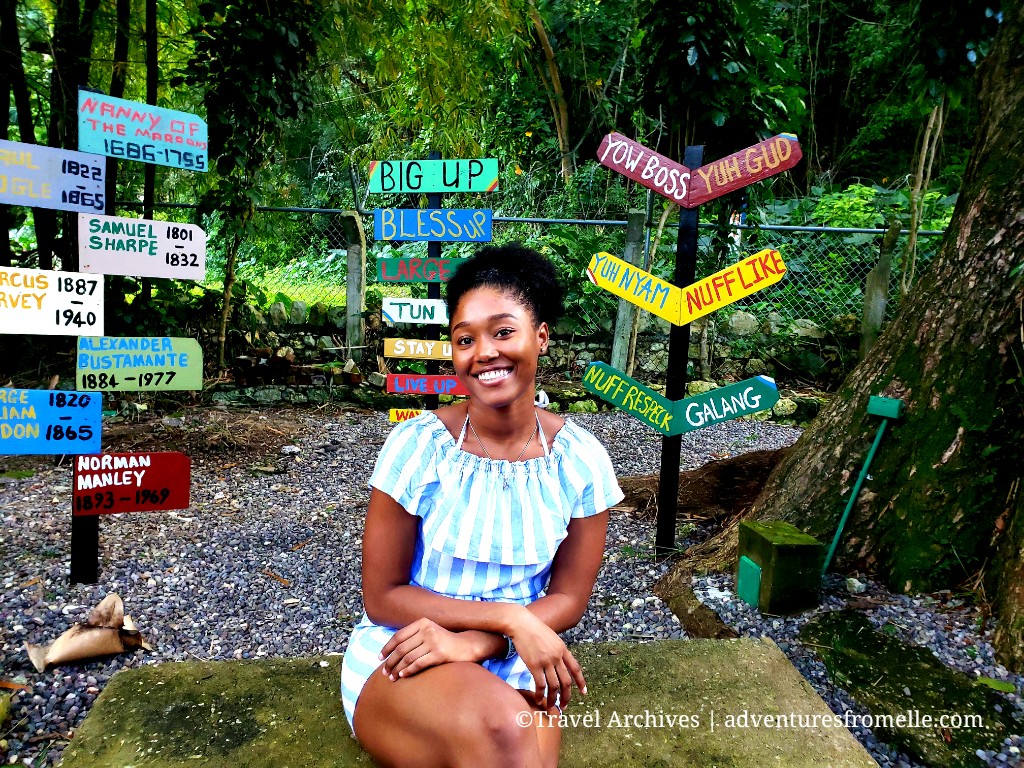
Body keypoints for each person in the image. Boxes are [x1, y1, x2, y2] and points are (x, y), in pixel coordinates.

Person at [341, 243, 623, 767]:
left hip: (518, 655)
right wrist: (508, 618)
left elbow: (569, 596)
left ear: (541, 337)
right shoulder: (419, 448)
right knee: (507, 734)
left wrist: (485, 640)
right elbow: (382, 596)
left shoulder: (581, 461)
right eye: (465, 339)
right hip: (408, 648)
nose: (484, 352)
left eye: (503, 332)